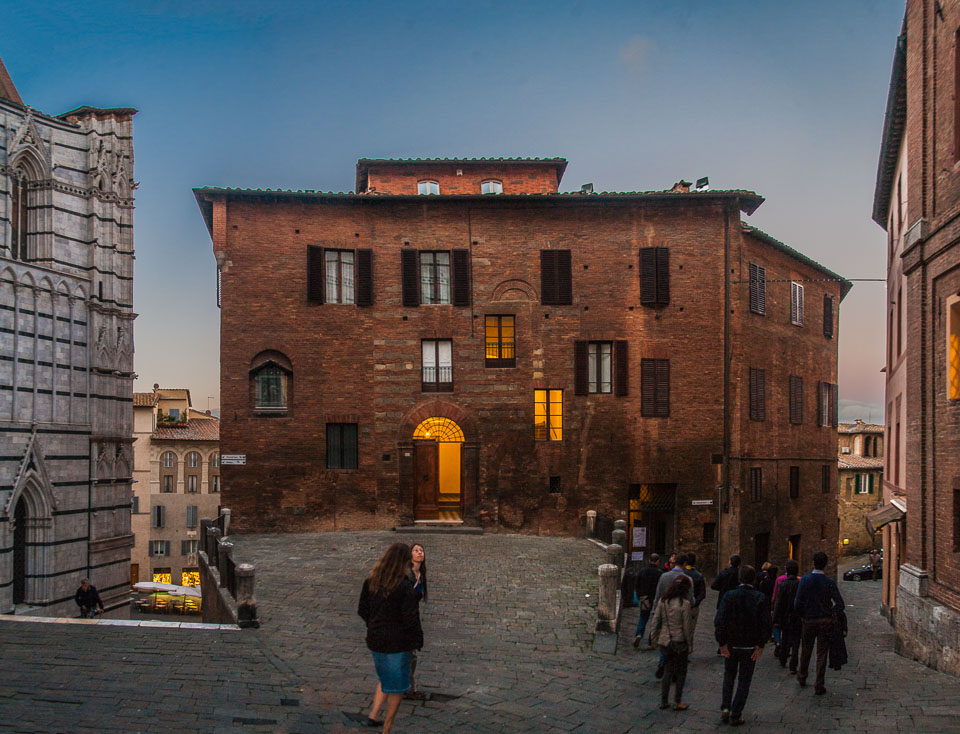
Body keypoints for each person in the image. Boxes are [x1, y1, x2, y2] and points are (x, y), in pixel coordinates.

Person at [358, 543, 424, 733]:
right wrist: (417, 640)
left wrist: (375, 625)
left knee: (385, 677)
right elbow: (410, 618)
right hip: (398, 643)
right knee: (398, 686)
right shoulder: (404, 586)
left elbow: (362, 610)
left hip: (376, 639)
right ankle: (387, 727)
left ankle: (375, 716)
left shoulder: (371, 581)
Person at [714, 565, 770, 726]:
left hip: (731, 645)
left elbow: (719, 621)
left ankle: (726, 707)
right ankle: (736, 713)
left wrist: (722, 643)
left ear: (739, 579)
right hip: (749, 647)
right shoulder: (759, 597)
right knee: (744, 681)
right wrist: (760, 645)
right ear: (753, 579)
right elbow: (765, 624)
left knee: (729, 676)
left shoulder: (729, 596)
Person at [794, 551, 846, 695]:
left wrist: (802, 615)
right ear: (825, 564)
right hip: (825, 621)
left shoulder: (805, 580)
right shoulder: (829, 582)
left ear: (813, 562)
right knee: (822, 653)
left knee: (806, 649)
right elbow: (840, 604)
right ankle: (819, 684)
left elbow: (798, 602)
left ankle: (802, 675)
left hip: (809, 620)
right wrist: (831, 613)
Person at [647, 575, 695, 712]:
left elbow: (655, 621)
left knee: (668, 671)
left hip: (665, 641)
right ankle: (677, 701)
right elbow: (687, 627)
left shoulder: (663, 601)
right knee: (681, 672)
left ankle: (664, 701)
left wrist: (654, 639)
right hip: (680, 641)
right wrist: (690, 644)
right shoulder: (685, 604)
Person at [649, 553, 694, 679]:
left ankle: (662, 663)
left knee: (664, 636)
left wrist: (654, 611)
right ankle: (674, 668)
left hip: (664, 609)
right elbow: (691, 600)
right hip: (680, 612)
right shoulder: (687, 579)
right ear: (684, 564)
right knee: (678, 637)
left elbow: (658, 595)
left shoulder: (664, 576)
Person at [406, 543, 428, 700]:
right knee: (408, 655)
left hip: (412, 618)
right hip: (404, 620)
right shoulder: (406, 575)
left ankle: (409, 688)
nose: (420, 553)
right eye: (416, 550)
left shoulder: (421, 575)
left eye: (421, 550)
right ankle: (407, 688)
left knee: (411, 655)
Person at [772, 560, 802, 673]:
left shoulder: (782, 584)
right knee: (796, 642)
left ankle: (783, 659)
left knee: (785, 638)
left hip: (785, 617)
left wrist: (775, 618)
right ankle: (793, 664)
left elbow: (778, 603)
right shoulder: (800, 584)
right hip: (797, 617)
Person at [633, 554, 663, 648]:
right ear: (657, 561)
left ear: (649, 560)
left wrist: (639, 596)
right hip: (654, 598)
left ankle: (639, 634)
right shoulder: (659, 573)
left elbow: (637, 584)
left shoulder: (642, 571)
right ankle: (651, 639)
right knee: (655, 619)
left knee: (643, 617)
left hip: (644, 597)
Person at [682, 552, 707, 631]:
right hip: (693, 607)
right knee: (690, 630)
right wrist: (695, 603)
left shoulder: (681, 574)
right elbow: (702, 593)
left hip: (680, 605)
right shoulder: (699, 575)